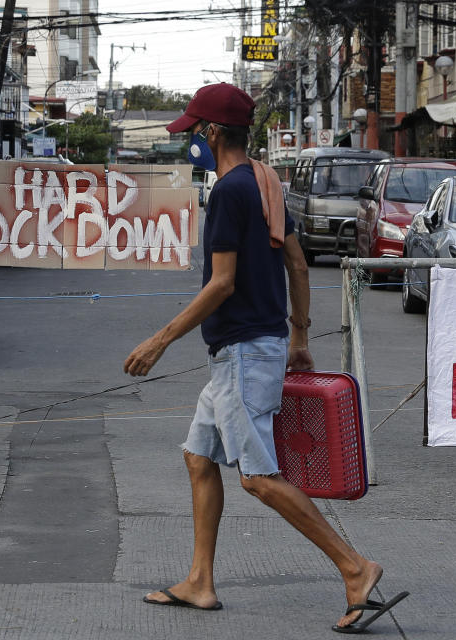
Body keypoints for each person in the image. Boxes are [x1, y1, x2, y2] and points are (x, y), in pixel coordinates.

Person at [123, 83, 392, 632]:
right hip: (252, 347)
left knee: (258, 477)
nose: (191, 139)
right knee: (199, 458)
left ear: (214, 132)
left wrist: (160, 340)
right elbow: (296, 262)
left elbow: (221, 283)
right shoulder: (266, 180)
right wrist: (298, 335)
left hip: (243, 352)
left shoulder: (228, 191)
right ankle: (200, 582)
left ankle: (355, 567)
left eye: (195, 130)